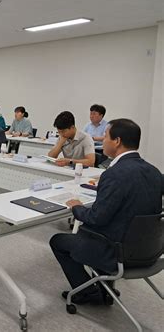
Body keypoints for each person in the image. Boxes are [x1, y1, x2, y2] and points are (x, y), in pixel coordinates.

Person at [49, 119, 162, 305]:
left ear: (116, 141)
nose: (103, 140)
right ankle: (104, 289)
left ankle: (87, 292)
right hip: (148, 250)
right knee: (103, 230)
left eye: (106, 137)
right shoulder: (154, 172)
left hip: (116, 251)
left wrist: (76, 207)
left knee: (59, 241)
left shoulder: (114, 173)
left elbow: (97, 218)